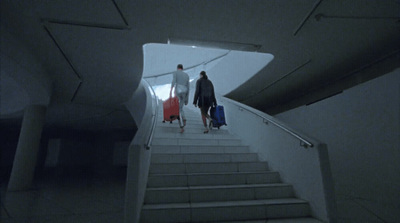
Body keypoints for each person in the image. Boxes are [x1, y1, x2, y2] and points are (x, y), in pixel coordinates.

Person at [170, 64, 190, 133]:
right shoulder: (186, 75)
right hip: (185, 91)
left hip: (178, 90)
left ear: (177, 68)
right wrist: (187, 99)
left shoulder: (175, 73)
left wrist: (171, 90)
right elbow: (188, 87)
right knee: (181, 108)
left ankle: (181, 126)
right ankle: (183, 117)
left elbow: (174, 81)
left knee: (177, 109)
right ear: (182, 68)